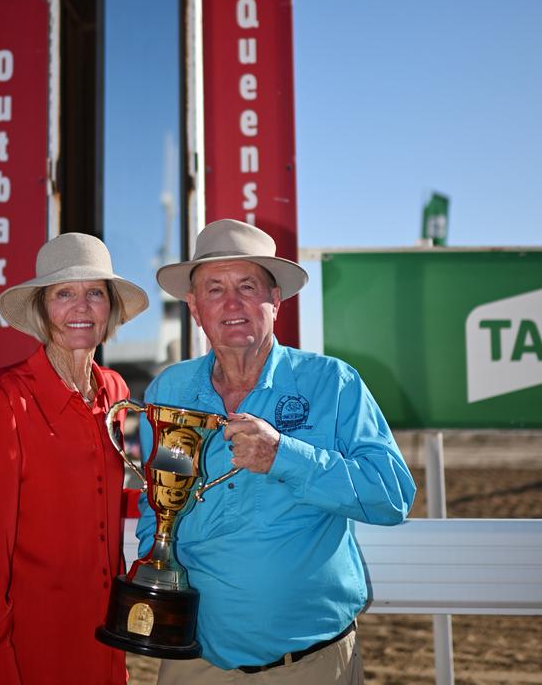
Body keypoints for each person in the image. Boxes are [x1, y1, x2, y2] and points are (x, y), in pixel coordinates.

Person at [137, 219, 416, 684]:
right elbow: (156, 503)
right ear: (194, 307)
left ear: (275, 301)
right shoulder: (169, 390)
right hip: (194, 660)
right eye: (214, 289)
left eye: (248, 286)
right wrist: (156, 570)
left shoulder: (332, 383)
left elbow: (391, 496)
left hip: (310, 663)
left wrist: (284, 456)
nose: (232, 303)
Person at [0, 232, 148, 685]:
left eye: (94, 294)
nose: (81, 308)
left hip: (104, 640)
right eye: (64, 294)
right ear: (43, 310)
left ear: (110, 309)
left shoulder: (116, 392)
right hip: (27, 647)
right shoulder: (3, 396)